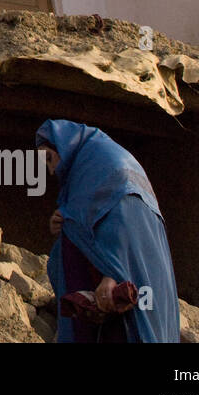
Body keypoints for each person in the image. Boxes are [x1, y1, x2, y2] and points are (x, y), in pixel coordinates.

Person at [36, 119, 180, 343]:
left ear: (66, 147)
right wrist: (64, 225)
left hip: (122, 294)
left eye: (49, 158)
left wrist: (112, 273)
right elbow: (88, 235)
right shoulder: (94, 177)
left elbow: (124, 228)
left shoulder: (112, 172)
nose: (52, 170)